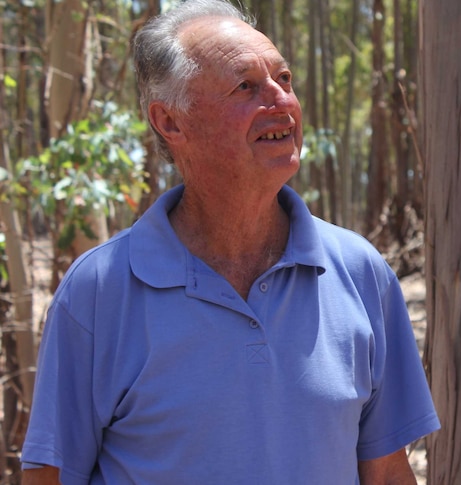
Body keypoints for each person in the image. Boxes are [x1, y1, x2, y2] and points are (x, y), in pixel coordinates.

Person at [21, 0, 439, 483]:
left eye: (284, 80)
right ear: (170, 121)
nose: (281, 101)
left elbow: (386, 472)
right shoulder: (98, 291)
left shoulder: (359, 271)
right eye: (246, 86)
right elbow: (49, 476)